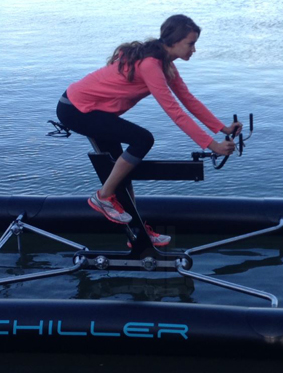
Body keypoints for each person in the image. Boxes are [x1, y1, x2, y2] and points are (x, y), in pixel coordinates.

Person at [56, 15, 241, 247]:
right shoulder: (150, 65)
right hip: (76, 109)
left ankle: (138, 234)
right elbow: (175, 112)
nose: (194, 49)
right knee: (142, 139)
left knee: (121, 172)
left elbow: (188, 100)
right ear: (173, 41)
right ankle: (103, 197)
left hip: (93, 111)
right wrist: (213, 146)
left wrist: (222, 128)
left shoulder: (165, 64)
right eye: (191, 43)